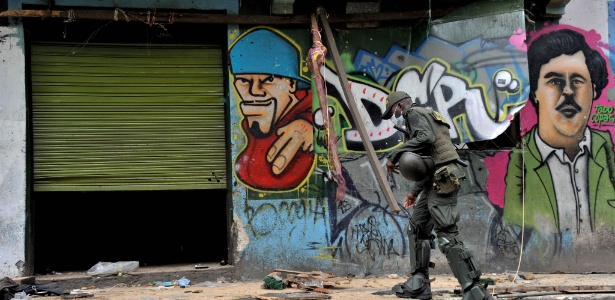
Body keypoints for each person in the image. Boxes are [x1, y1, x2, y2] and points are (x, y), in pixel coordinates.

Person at [503, 28, 615, 238]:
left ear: (594, 90)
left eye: (578, 81)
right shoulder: (523, 157)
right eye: (554, 81)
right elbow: (512, 225)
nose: (568, 91)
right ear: (534, 92)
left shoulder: (605, 148)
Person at [382, 91, 493, 300]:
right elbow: (430, 160)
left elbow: (426, 138)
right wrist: (414, 192)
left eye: (394, 111)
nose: (395, 115)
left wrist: (394, 155)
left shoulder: (413, 113)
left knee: (446, 234)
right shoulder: (427, 115)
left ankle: (474, 289)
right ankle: (419, 284)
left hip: (443, 178)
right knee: (417, 227)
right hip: (436, 177)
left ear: (399, 106)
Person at [229, 28, 315, 191]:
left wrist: (311, 123)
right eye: (244, 81)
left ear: (291, 84)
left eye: (268, 79)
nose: (255, 91)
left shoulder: (311, 115)